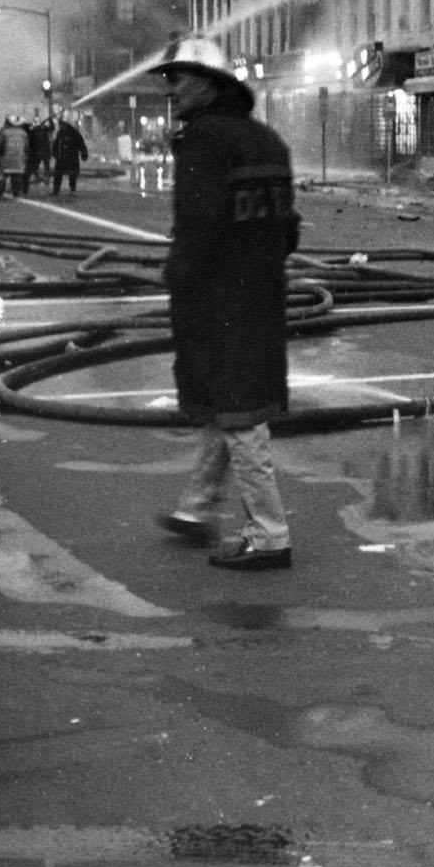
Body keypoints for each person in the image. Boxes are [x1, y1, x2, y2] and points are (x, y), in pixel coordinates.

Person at [150, 36, 302, 571]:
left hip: (219, 298)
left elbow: (198, 226)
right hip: (261, 291)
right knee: (225, 402)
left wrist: (179, 280)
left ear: (210, 83)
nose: (168, 89)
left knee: (239, 414)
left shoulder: (205, 143)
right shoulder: (268, 142)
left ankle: (270, 534)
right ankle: (196, 510)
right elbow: (288, 229)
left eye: (178, 78)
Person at [50, 115, 86, 196]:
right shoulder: (60, 133)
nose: (61, 126)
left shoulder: (74, 133)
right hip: (61, 158)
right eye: (60, 124)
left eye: (62, 124)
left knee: (72, 175)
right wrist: (54, 152)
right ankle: (55, 191)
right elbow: (56, 144)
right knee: (57, 175)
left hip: (72, 158)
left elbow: (81, 144)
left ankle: (72, 190)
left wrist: (84, 153)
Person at [0, 117, 30, 196]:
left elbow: (0, 145)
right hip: (19, 157)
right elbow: (26, 146)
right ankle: (16, 190)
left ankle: (0, 189)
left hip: (7, 156)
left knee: (4, 174)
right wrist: (26, 155)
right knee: (17, 174)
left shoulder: (5, 132)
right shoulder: (23, 133)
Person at [28, 116, 51, 184]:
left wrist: (50, 120)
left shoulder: (43, 128)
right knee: (37, 164)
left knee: (43, 164)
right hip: (38, 149)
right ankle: (37, 176)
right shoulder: (34, 129)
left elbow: (51, 128)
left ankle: (45, 177)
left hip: (42, 149)